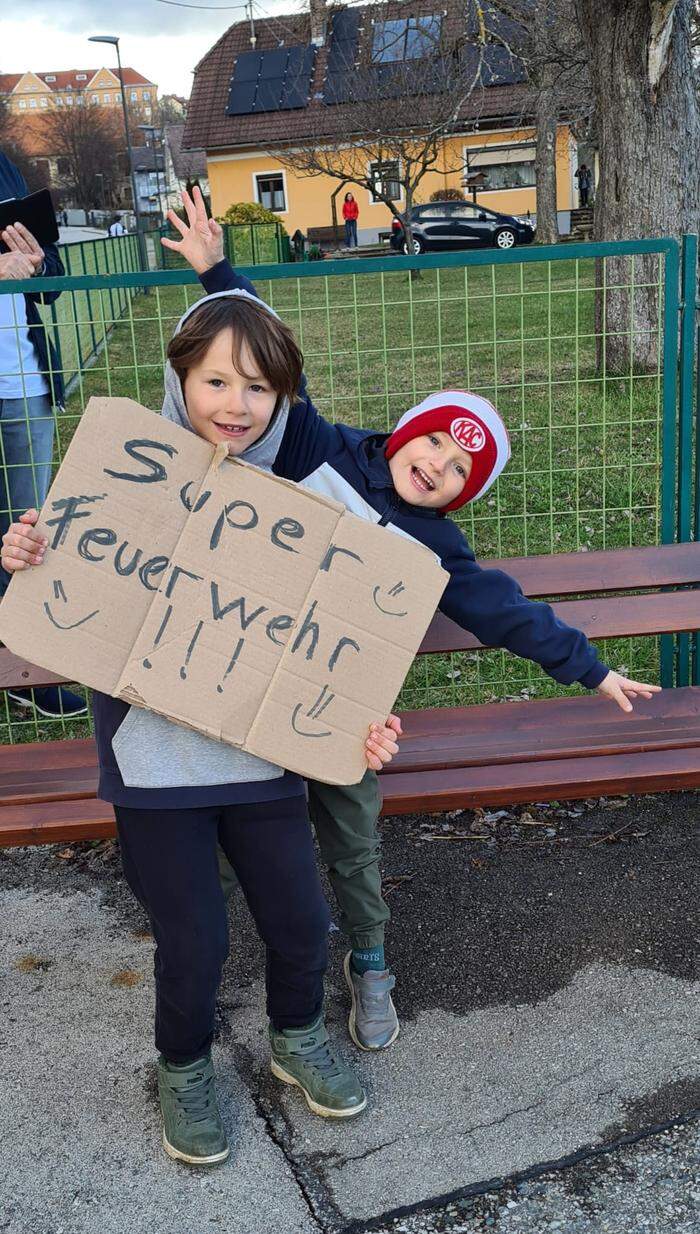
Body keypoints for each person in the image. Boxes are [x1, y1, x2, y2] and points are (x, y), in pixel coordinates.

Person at [158, 189, 661, 1056]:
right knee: (248, 829)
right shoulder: (323, 445)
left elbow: (503, 611)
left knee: (351, 840)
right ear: (408, 432)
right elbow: (268, 369)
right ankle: (264, 961)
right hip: (250, 675)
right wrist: (215, 269)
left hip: (346, 709)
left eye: (462, 467)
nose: (438, 464)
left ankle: (370, 958)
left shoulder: (437, 548)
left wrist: (588, 667)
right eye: (435, 441)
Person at [1, 287, 403, 1168]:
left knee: (301, 926)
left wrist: (357, 728)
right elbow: (60, 602)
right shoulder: (121, 483)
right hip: (155, 771)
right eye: (217, 379)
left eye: (258, 387)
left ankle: (298, 1040)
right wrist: (25, 557)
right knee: (195, 941)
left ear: (284, 398)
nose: (236, 402)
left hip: (266, 766)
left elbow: (346, 651)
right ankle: (182, 1069)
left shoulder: (311, 511)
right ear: (179, 378)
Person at [0, 149, 85, 719]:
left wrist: (37, 264)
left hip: (24, 381)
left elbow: (51, 279)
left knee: (29, 532)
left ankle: (28, 671)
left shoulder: (5, 163)